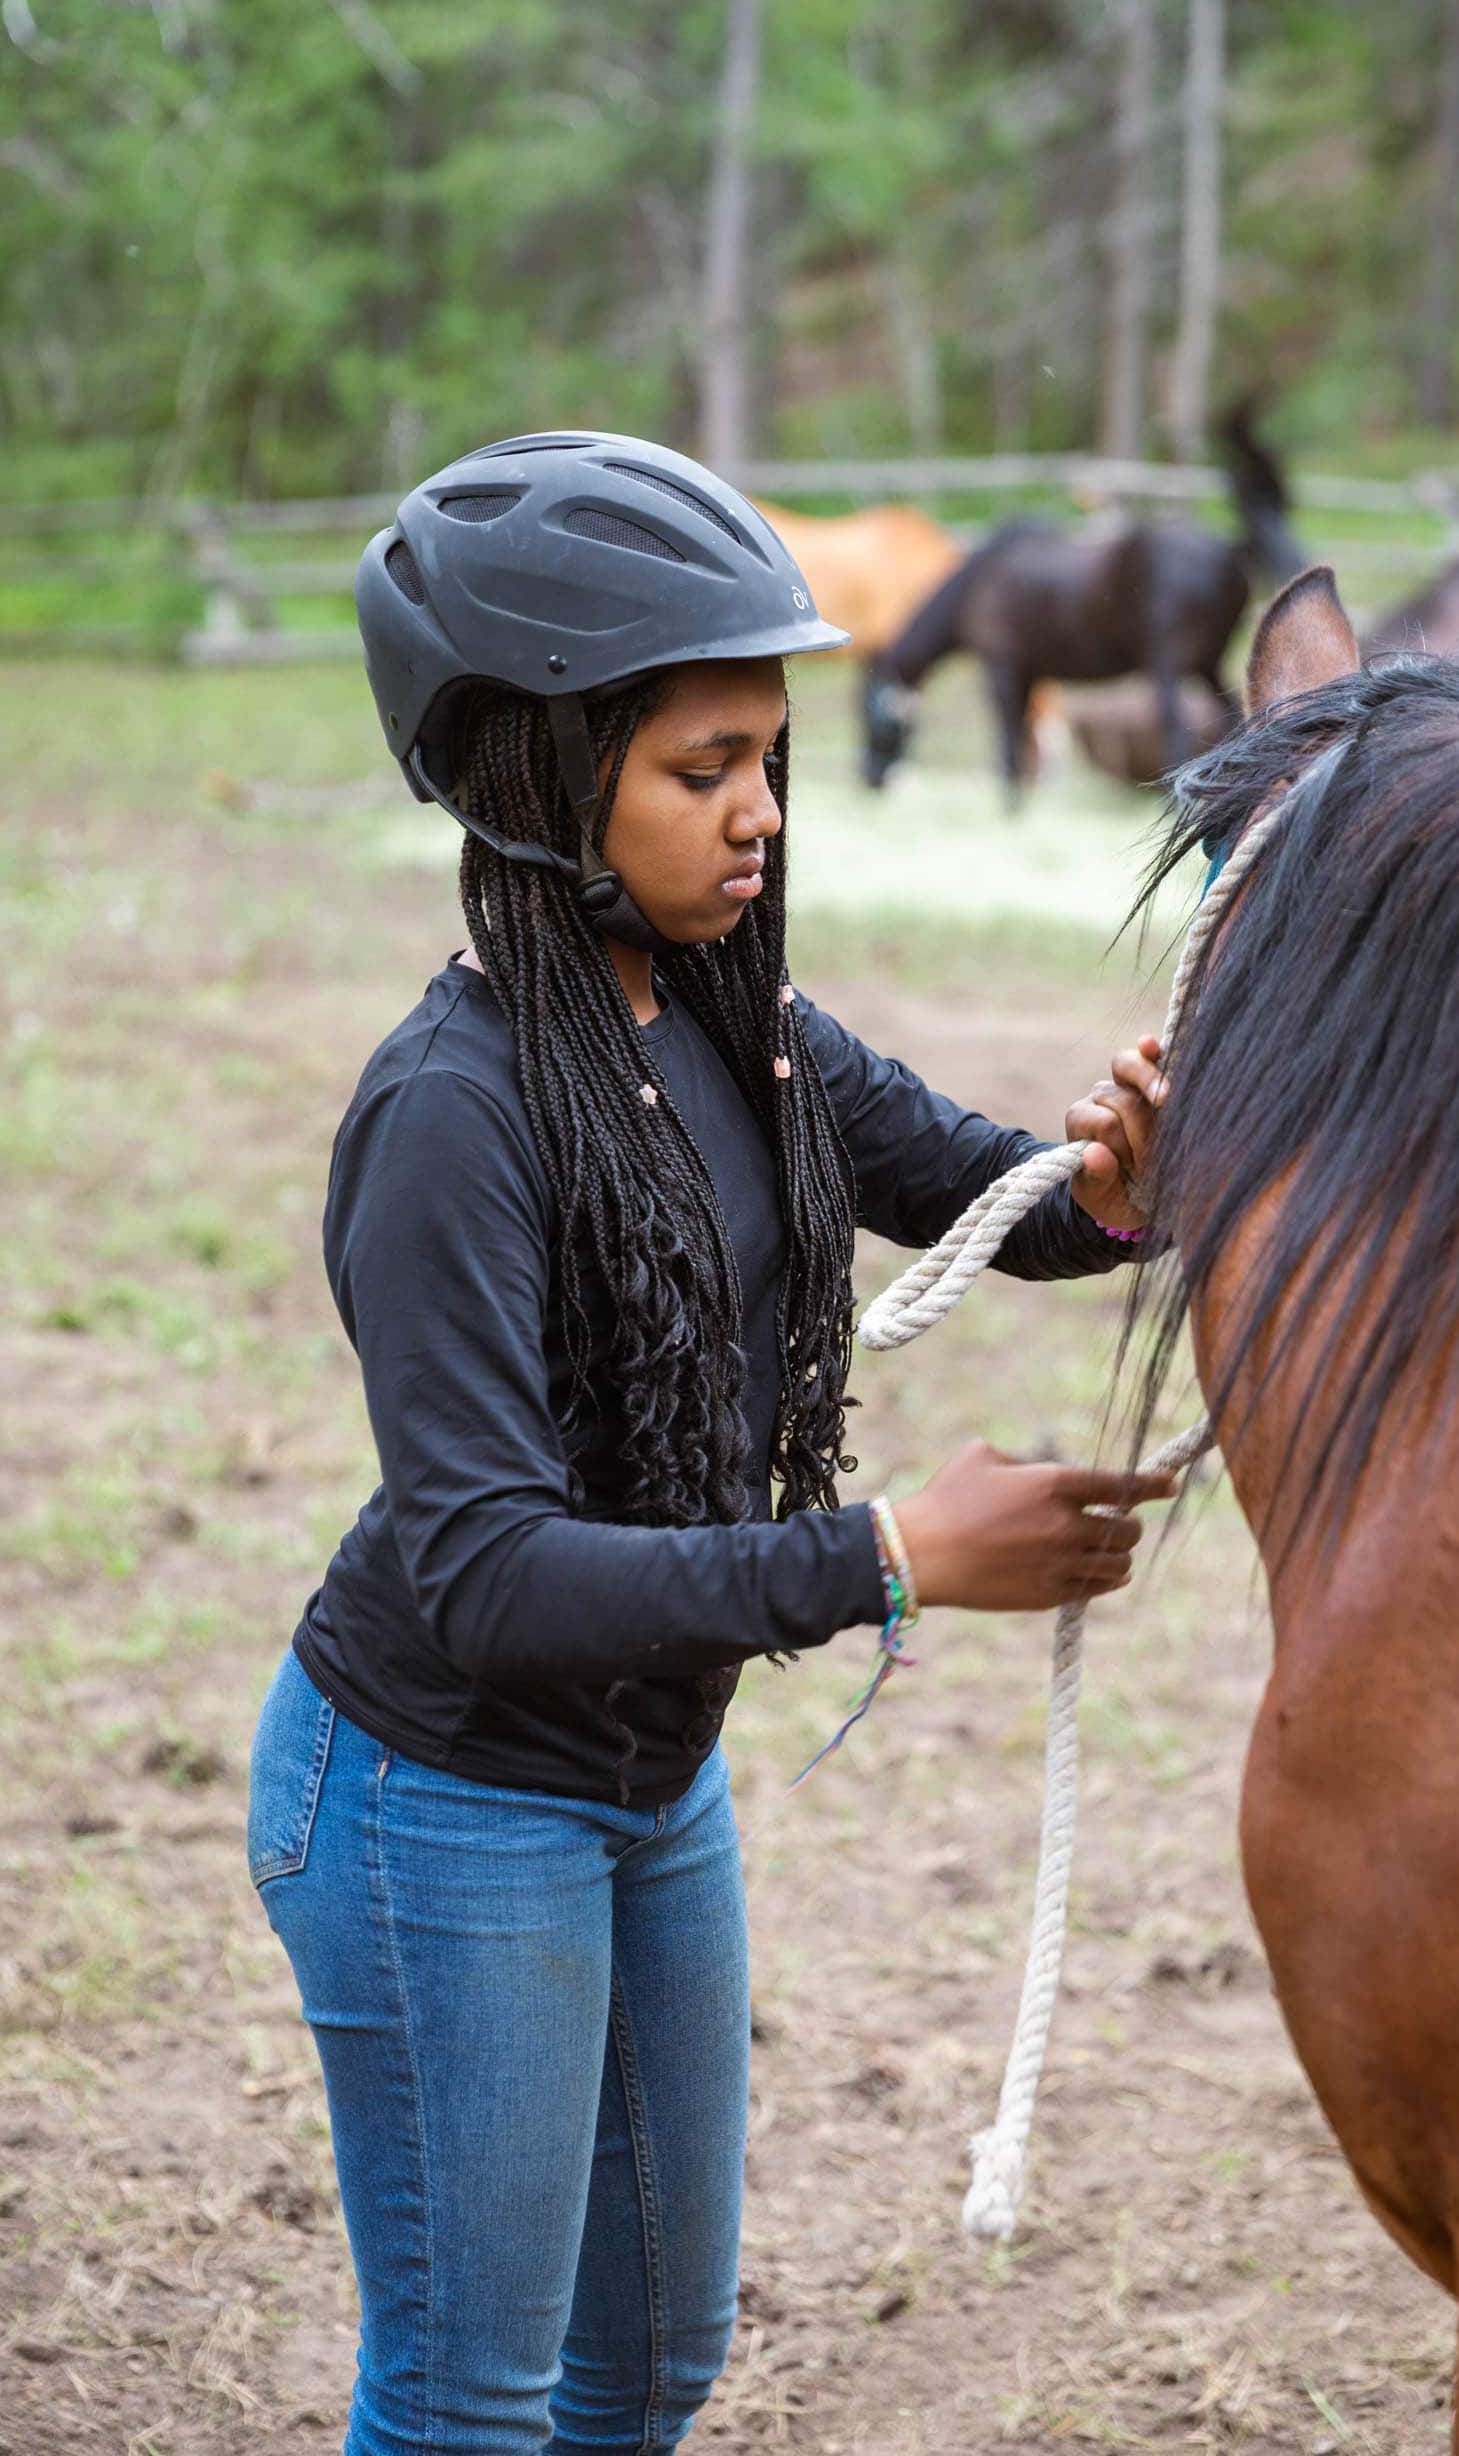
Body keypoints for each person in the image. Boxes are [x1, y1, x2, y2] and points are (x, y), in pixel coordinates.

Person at [246, 432, 1173, 2456]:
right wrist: (887, 1556)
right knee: (469, 2399)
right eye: (700, 770)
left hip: (644, 1772)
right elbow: (488, 1569)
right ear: (536, 774)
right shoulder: (448, 1116)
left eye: (771, 756)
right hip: (435, 1792)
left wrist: (1130, 1176)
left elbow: (991, 1191)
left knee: (652, 2360)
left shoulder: (738, 1020)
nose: (760, 813)